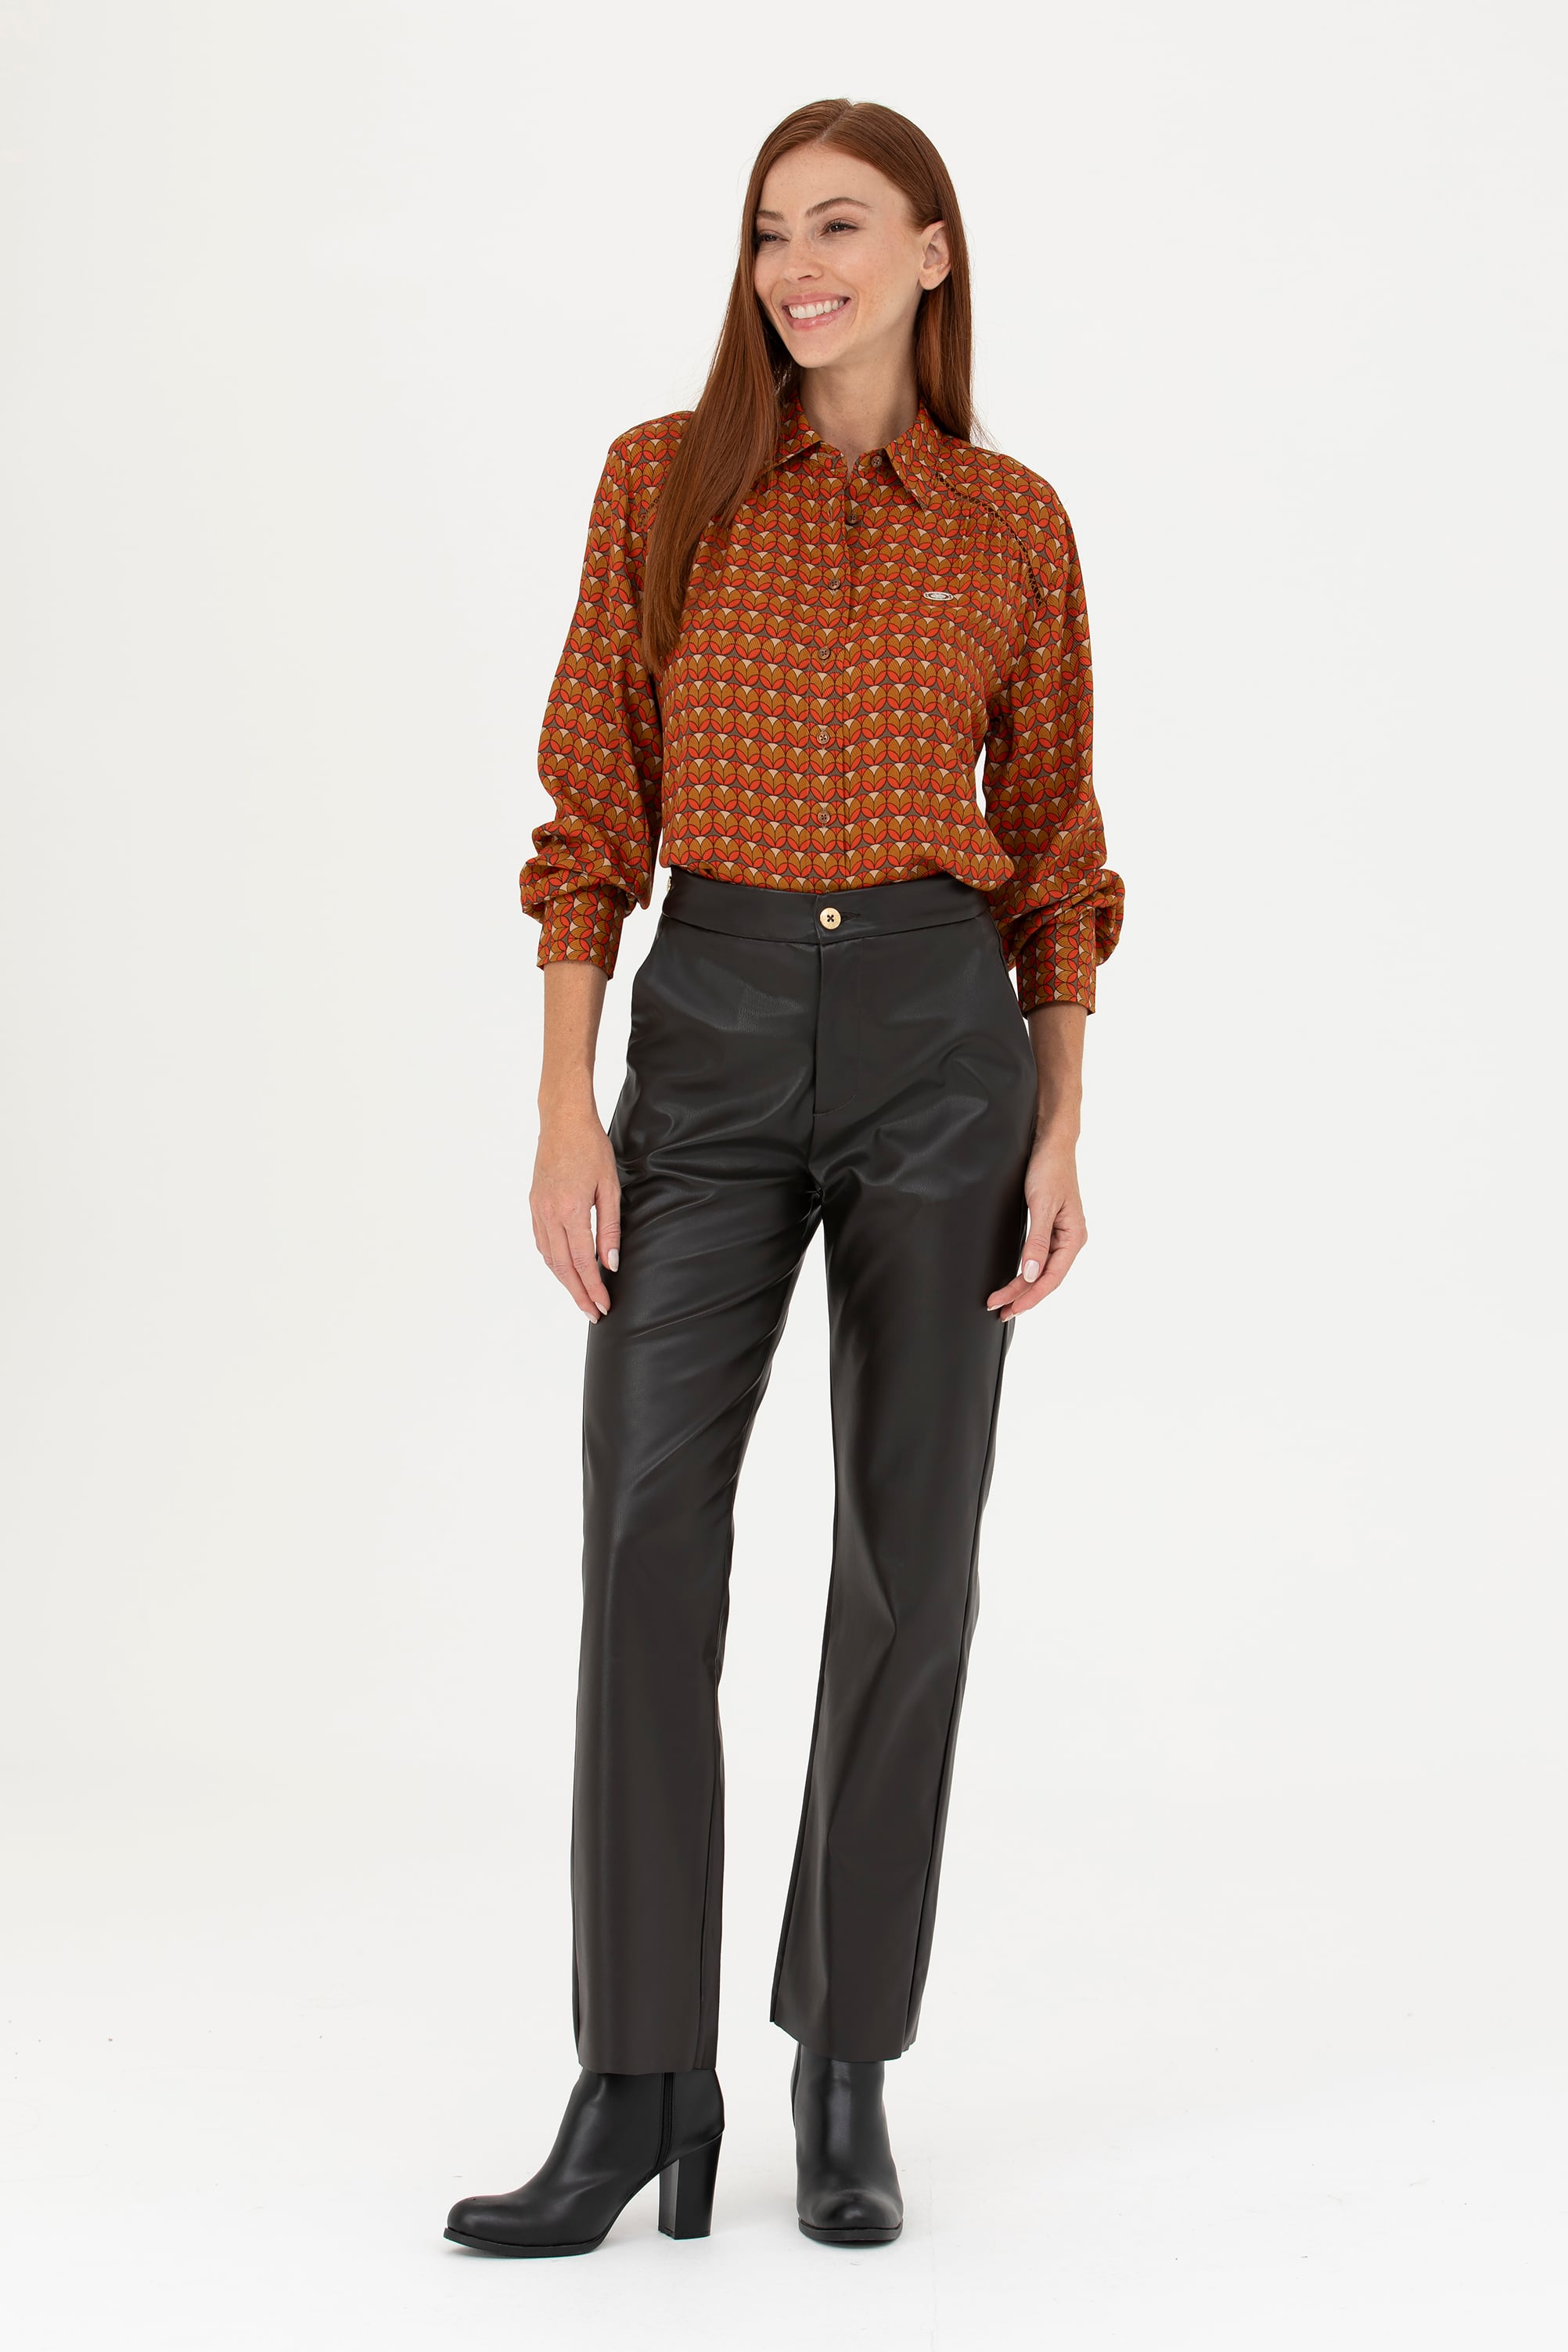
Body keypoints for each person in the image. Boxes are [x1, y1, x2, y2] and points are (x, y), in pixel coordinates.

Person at [444, 96, 1124, 2260]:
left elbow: (1059, 853)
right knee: (645, 1533)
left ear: (932, 251)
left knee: (910, 1560)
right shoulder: (660, 480)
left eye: (838, 225)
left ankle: (845, 2063)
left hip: (939, 1042)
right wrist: (567, 1107)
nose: (796, 266)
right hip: (714, 1032)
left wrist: (1060, 1123)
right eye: (765, 232)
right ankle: (638, 2074)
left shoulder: (1009, 520)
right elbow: (587, 819)